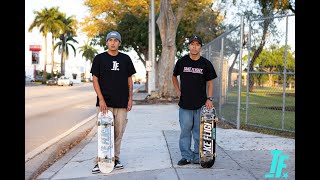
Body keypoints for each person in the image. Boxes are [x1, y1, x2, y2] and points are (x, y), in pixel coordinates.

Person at [90, 31, 136, 173]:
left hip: (121, 103)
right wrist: (101, 100)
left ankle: (115, 159)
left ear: (119, 43)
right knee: (104, 132)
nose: (113, 42)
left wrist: (130, 99)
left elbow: (129, 80)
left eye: (116, 40)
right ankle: (100, 160)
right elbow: (95, 79)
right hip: (105, 104)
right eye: (110, 40)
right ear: (106, 42)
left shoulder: (126, 59)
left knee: (118, 132)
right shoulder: (99, 59)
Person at [172, 35, 217, 165]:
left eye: (197, 44)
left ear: (200, 47)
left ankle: (198, 156)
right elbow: (174, 76)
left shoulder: (206, 64)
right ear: (189, 46)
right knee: (185, 130)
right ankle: (186, 156)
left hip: (201, 104)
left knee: (198, 132)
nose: (194, 46)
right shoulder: (182, 62)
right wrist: (177, 90)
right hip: (185, 104)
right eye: (192, 44)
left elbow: (210, 83)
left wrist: (209, 99)